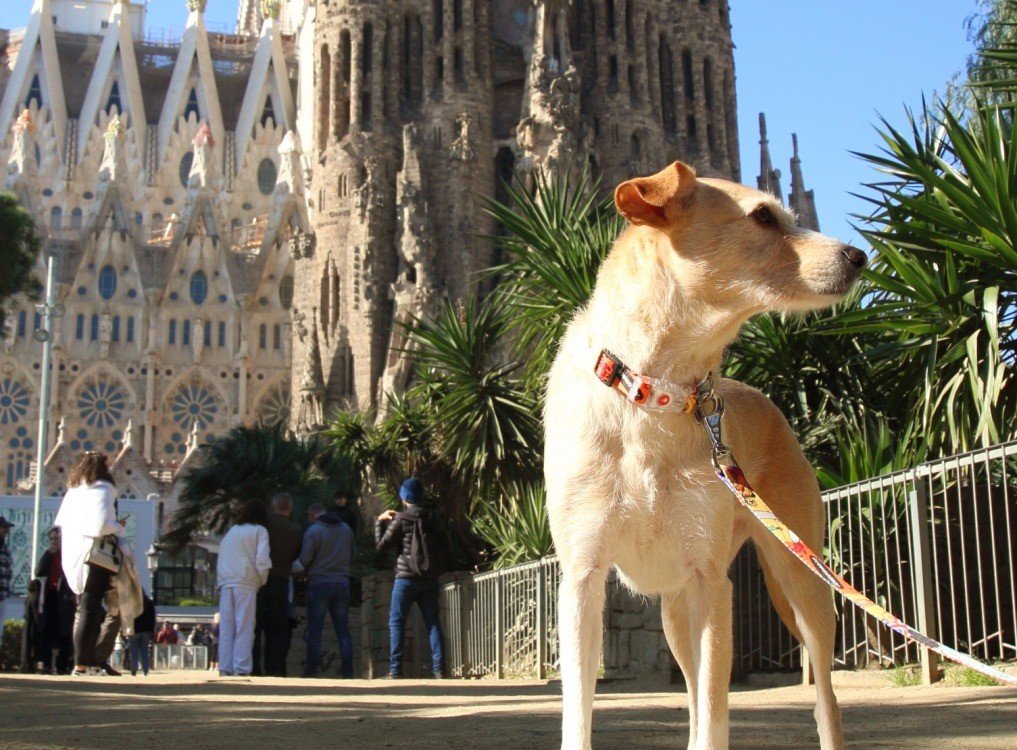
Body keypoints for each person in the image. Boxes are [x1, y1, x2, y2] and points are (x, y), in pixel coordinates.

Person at [54, 452, 126, 676]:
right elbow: (98, 527)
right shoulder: (103, 490)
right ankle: (82, 665)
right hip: (95, 557)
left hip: (74, 555)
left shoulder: (74, 492)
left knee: (85, 610)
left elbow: (61, 522)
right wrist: (118, 526)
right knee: (89, 610)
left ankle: (86, 663)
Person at [375, 477, 448, 679]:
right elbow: (445, 545)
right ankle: (440, 669)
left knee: (397, 622)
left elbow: (381, 547)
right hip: (429, 578)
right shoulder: (432, 517)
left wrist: (379, 522)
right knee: (433, 623)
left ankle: (396, 670)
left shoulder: (401, 519)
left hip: (405, 578)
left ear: (404, 498)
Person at [295, 503, 354, 678]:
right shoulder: (346, 530)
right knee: (343, 631)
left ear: (312, 516)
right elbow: (352, 554)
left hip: (319, 584)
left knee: (315, 631)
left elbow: (304, 560)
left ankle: (311, 670)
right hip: (342, 583)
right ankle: (348, 672)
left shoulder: (313, 531)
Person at [215, 499, 271, 676]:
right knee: (244, 626)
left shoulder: (232, 532)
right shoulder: (260, 531)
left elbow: (221, 557)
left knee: (227, 627)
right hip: (246, 582)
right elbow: (262, 560)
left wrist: (221, 581)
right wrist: (261, 580)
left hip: (226, 583)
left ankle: (225, 666)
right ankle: (241, 667)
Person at [253, 493, 302, 677]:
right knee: (277, 629)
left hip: (260, 581)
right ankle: (275, 668)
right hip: (281, 580)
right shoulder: (295, 530)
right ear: (290, 508)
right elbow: (298, 555)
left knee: (256, 627)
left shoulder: (262, 527)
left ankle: (254, 667)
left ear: (272, 507)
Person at [35, 527, 75, 674]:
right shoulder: (50, 555)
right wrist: (47, 554)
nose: (54, 542)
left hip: (65, 597)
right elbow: (38, 572)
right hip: (51, 596)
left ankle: (62, 664)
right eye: (51, 539)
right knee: (47, 630)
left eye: (56, 539)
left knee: (65, 631)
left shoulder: (70, 555)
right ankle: (45, 664)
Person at [128, 592, 155, 676]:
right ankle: (145, 670)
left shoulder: (132, 603)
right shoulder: (149, 603)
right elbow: (153, 619)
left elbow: (127, 617)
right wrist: (152, 631)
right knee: (144, 650)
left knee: (133, 651)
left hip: (134, 630)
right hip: (146, 631)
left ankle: (133, 669)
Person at [20, 579, 42, 673]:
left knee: (26, 645)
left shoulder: (28, 597)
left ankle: (24, 665)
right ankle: (30, 665)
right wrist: (39, 624)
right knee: (32, 645)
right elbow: (36, 613)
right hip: (32, 624)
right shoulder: (36, 598)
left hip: (26, 623)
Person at [0, 516, 12, 648]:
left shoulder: (6, 549)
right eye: (3, 527)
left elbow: (8, 572)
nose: (6, 530)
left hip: (2, 596)